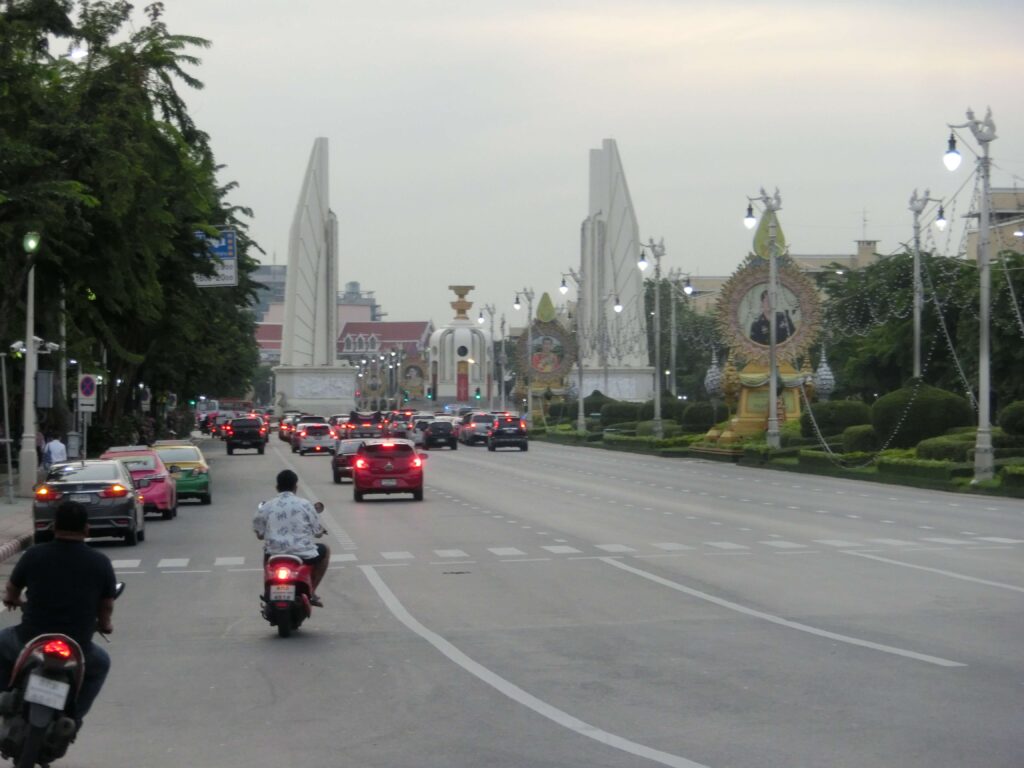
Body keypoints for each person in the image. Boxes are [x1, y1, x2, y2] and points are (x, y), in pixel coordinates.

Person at [0, 501, 117, 730]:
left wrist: (13, 600)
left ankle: (5, 697)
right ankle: (74, 718)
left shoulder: (34, 555)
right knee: (101, 664)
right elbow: (106, 606)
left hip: (30, 639)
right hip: (77, 646)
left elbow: (12, 589)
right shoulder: (100, 562)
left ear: (54, 527)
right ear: (86, 529)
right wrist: (106, 625)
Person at [252, 469, 330, 607]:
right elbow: (317, 532)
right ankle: (311, 591)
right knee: (325, 550)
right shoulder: (305, 504)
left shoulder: (267, 506)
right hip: (303, 553)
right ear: (296, 487)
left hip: (274, 554)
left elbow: (259, 534)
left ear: (277, 487)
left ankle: (267, 590)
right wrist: (319, 531)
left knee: (266, 551)